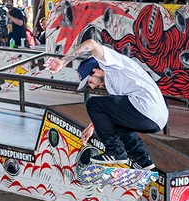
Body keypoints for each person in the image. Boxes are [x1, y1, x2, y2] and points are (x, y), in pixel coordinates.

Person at [43, 39, 168, 170]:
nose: (92, 87)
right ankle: (144, 161)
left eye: (90, 82)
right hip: (156, 118)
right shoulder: (114, 85)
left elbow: (91, 43)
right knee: (117, 122)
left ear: (96, 70)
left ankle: (115, 151)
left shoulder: (110, 63)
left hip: (146, 108)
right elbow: (114, 113)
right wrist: (93, 125)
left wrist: (63, 61)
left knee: (93, 103)